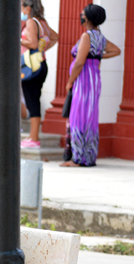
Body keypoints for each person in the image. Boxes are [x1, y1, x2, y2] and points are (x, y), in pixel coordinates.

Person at [61, 4, 120, 167]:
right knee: (89, 117)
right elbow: (116, 51)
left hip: (83, 80)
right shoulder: (100, 37)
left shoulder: (87, 36)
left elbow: (79, 62)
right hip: (94, 80)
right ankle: (88, 156)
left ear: (88, 18)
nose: (81, 16)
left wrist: (70, 81)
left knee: (78, 116)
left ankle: (78, 158)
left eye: (82, 14)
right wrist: (96, 58)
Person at [20, 0, 59, 149]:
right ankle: (32, 136)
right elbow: (55, 37)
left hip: (31, 67)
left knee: (32, 102)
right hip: (41, 64)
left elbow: (33, 43)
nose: (21, 10)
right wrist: (42, 49)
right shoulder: (42, 22)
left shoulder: (31, 22)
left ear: (28, 8)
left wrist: (19, 40)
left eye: (22, 7)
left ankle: (34, 138)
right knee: (34, 100)